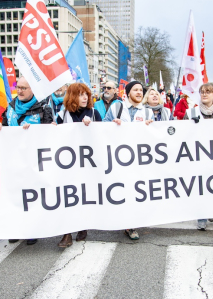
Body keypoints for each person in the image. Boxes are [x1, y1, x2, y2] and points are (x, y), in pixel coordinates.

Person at [0, 76, 54, 246]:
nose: (19, 91)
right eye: (18, 87)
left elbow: (50, 134)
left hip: (33, 161)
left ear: (32, 90)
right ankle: (16, 228)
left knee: (32, 196)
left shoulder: (43, 109)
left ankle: (32, 229)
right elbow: (4, 128)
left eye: (23, 88)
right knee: (15, 195)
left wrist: (36, 131)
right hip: (13, 160)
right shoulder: (11, 107)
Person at [103, 81, 153, 240]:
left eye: (141, 90)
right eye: (136, 90)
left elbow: (154, 137)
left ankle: (131, 225)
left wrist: (149, 127)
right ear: (128, 92)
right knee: (121, 189)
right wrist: (113, 125)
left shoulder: (147, 112)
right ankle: (121, 219)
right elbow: (103, 127)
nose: (139, 92)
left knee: (135, 190)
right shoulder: (117, 108)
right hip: (119, 157)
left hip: (138, 158)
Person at [54, 83, 102, 248]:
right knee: (68, 195)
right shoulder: (63, 114)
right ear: (72, 96)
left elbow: (105, 135)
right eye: (80, 94)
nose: (85, 97)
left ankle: (82, 225)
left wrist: (93, 127)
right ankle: (66, 234)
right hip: (69, 163)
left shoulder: (94, 113)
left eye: (86, 94)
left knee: (84, 194)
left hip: (89, 163)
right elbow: (53, 135)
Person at [183, 82, 213, 230]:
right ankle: (202, 216)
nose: (204, 94)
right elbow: (182, 135)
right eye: (202, 92)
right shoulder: (191, 113)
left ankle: (211, 209)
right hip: (197, 156)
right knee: (200, 186)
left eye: (208, 92)